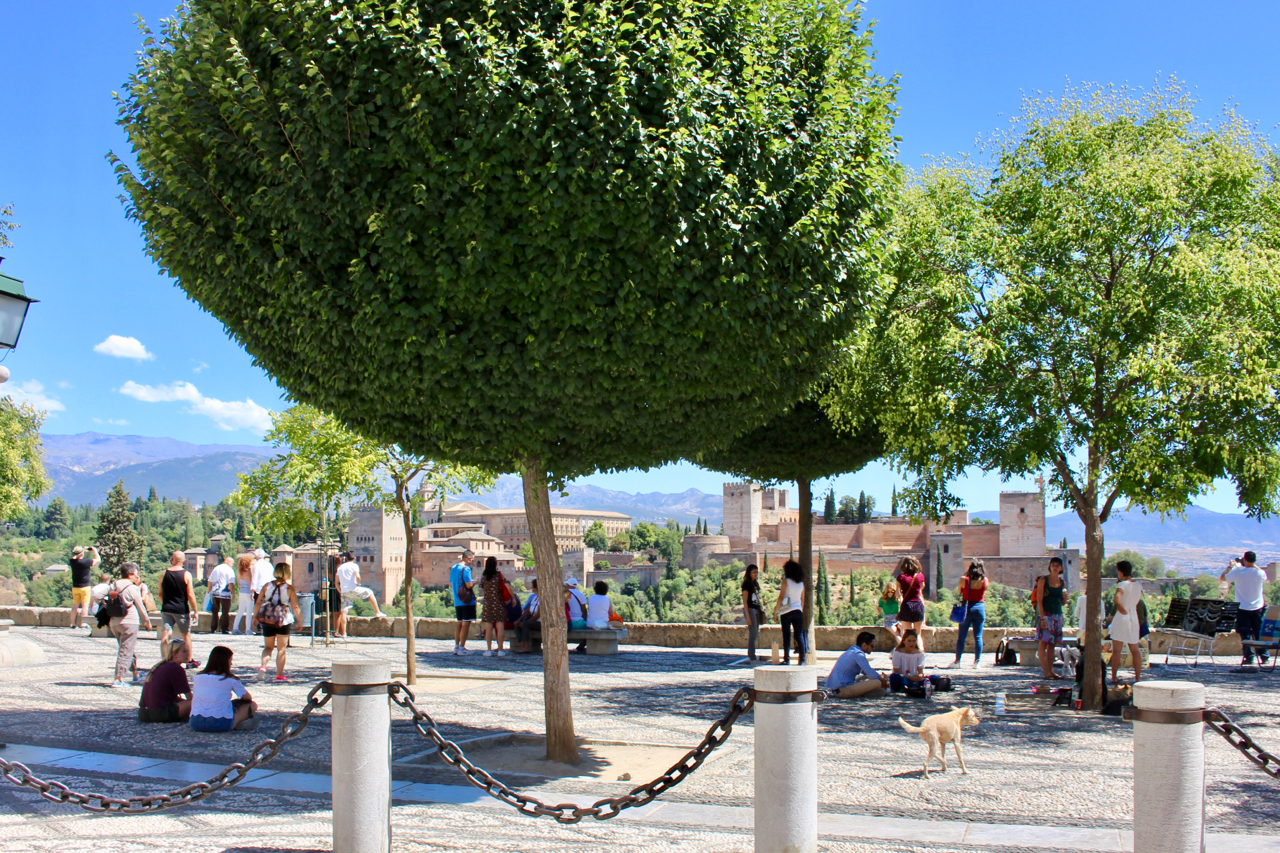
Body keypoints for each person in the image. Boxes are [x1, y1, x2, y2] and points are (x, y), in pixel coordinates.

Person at [189, 646, 258, 732]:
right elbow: (247, 698)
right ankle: (234, 723)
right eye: (230, 660)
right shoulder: (230, 679)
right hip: (219, 724)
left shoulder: (198, 677)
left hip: (195, 723)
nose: (231, 664)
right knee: (252, 705)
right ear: (225, 662)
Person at [107, 562, 154, 688]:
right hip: (129, 621)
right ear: (131, 574)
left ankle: (135, 673)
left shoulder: (113, 585)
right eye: (136, 574)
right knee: (126, 650)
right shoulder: (132, 588)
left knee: (127, 648)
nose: (137, 576)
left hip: (114, 622)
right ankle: (118, 678)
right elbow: (140, 606)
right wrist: (147, 621)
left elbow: (98, 597)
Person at [1221, 551, 1270, 668]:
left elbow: (1223, 578)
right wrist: (1251, 564)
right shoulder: (1260, 573)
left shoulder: (1238, 573)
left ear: (1245, 560)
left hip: (1243, 607)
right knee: (1258, 632)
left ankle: (1249, 657)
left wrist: (1230, 567)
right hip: (1258, 607)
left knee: (1245, 633)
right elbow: (1262, 573)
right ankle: (1264, 656)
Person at [255, 562, 302, 681]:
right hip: (283, 619)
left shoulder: (267, 586)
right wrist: (299, 621)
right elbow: (295, 606)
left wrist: (254, 617)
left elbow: (259, 602)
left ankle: (263, 666)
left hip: (268, 619)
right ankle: (279, 674)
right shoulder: (289, 588)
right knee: (281, 649)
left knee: (268, 647)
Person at [139, 639, 193, 723]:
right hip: (160, 713)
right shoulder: (176, 668)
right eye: (184, 651)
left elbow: (167, 696)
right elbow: (190, 697)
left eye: (188, 651)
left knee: (186, 702)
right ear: (174, 654)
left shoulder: (160, 666)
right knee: (199, 702)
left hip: (144, 713)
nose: (188, 654)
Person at [1108, 560, 1144, 685]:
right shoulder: (1138, 585)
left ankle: (1114, 676)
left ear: (1120, 572)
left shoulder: (1122, 584)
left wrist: (1121, 608)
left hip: (1122, 616)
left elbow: (1117, 598)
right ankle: (1138, 677)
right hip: (1133, 616)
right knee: (1135, 649)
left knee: (1117, 650)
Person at [159, 551, 198, 661]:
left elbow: (160, 593)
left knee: (165, 635)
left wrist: (164, 603)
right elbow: (190, 594)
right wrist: (195, 610)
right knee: (186, 636)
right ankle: (189, 660)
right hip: (181, 609)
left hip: (166, 608)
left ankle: (165, 659)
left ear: (172, 560)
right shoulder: (186, 574)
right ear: (184, 561)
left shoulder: (164, 573)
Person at [335, 552, 384, 638]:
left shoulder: (340, 568)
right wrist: (358, 583)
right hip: (353, 589)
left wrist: (340, 591)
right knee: (370, 592)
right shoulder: (354, 566)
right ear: (353, 559)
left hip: (344, 591)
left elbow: (336, 583)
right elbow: (358, 576)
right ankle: (378, 612)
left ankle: (344, 633)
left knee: (344, 611)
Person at [827, 631, 889, 699]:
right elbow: (870, 673)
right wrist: (881, 679)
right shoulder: (858, 654)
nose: (873, 648)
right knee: (877, 682)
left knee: (864, 679)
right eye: (872, 646)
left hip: (837, 689)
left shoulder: (853, 651)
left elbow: (865, 671)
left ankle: (868, 693)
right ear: (864, 645)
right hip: (843, 690)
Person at [773, 559, 809, 666]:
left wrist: (776, 612)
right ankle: (802, 660)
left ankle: (787, 659)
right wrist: (800, 609)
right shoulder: (801, 584)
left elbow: (781, 597)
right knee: (799, 635)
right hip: (798, 611)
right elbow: (802, 600)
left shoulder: (786, 581)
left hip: (786, 611)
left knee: (786, 635)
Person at [954, 560, 987, 667]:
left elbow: (959, 592)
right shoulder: (985, 580)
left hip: (967, 608)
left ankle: (958, 661)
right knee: (978, 636)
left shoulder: (964, 580)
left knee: (962, 636)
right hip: (980, 608)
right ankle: (977, 661)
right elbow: (983, 592)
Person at [895, 556, 927, 651]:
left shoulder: (900, 578)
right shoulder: (920, 576)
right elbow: (921, 589)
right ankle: (920, 653)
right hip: (918, 605)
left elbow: (897, 594)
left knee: (907, 634)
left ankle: (908, 655)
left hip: (906, 605)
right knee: (918, 634)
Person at [478, 557, 507, 657]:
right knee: (500, 627)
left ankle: (489, 649)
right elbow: (504, 585)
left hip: (488, 603)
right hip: (498, 603)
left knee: (488, 627)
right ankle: (500, 649)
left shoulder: (484, 576)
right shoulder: (498, 575)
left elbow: (482, 590)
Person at [450, 549, 476, 655]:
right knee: (466, 624)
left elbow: (450, 584)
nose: (472, 562)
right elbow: (469, 585)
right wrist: (476, 581)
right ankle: (462, 648)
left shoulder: (454, 568)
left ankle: (456, 646)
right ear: (468, 558)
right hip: (466, 601)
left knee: (459, 623)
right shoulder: (466, 569)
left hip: (457, 600)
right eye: (472, 560)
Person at [68, 545, 101, 628]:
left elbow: (75, 556)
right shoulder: (85, 562)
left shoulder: (72, 562)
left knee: (75, 606)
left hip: (75, 587)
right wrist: (94, 550)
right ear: (82, 554)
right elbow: (98, 560)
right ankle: (83, 623)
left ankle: (72, 623)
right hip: (85, 587)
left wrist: (80, 551)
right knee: (85, 605)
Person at [741, 564, 766, 661]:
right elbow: (745, 601)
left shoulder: (755, 583)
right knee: (753, 633)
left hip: (756, 609)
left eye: (757, 572)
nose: (756, 574)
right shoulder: (746, 584)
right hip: (750, 609)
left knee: (755, 633)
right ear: (749, 573)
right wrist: (748, 616)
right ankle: (751, 655)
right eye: (754, 572)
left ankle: (752, 654)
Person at [207, 555, 235, 635]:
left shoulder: (216, 568)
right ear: (227, 561)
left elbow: (210, 580)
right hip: (225, 594)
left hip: (215, 592)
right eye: (232, 563)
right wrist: (233, 593)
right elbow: (231, 583)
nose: (232, 565)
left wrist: (209, 590)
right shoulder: (229, 570)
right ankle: (224, 629)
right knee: (225, 611)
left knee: (215, 611)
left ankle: (213, 628)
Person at [513, 578, 540, 653]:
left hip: (540, 622)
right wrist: (519, 620)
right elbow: (528, 610)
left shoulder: (542, 598)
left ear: (536, 588)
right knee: (517, 624)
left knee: (525, 624)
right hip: (532, 620)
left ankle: (526, 647)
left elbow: (538, 614)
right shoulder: (535, 597)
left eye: (532, 586)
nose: (531, 588)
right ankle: (522, 644)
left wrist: (527, 621)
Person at [231, 554, 255, 634]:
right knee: (249, 611)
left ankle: (235, 628)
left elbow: (239, 584)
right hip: (248, 593)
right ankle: (248, 629)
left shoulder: (239, 573)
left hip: (241, 592)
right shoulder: (248, 573)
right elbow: (252, 584)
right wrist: (252, 593)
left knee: (240, 611)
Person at [565, 577, 589, 652]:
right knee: (590, 628)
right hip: (579, 622)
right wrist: (586, 620)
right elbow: (584, 609)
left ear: (568, 585)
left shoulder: (564, 594)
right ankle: (581, 645)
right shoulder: (580, 594)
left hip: (567, 622)